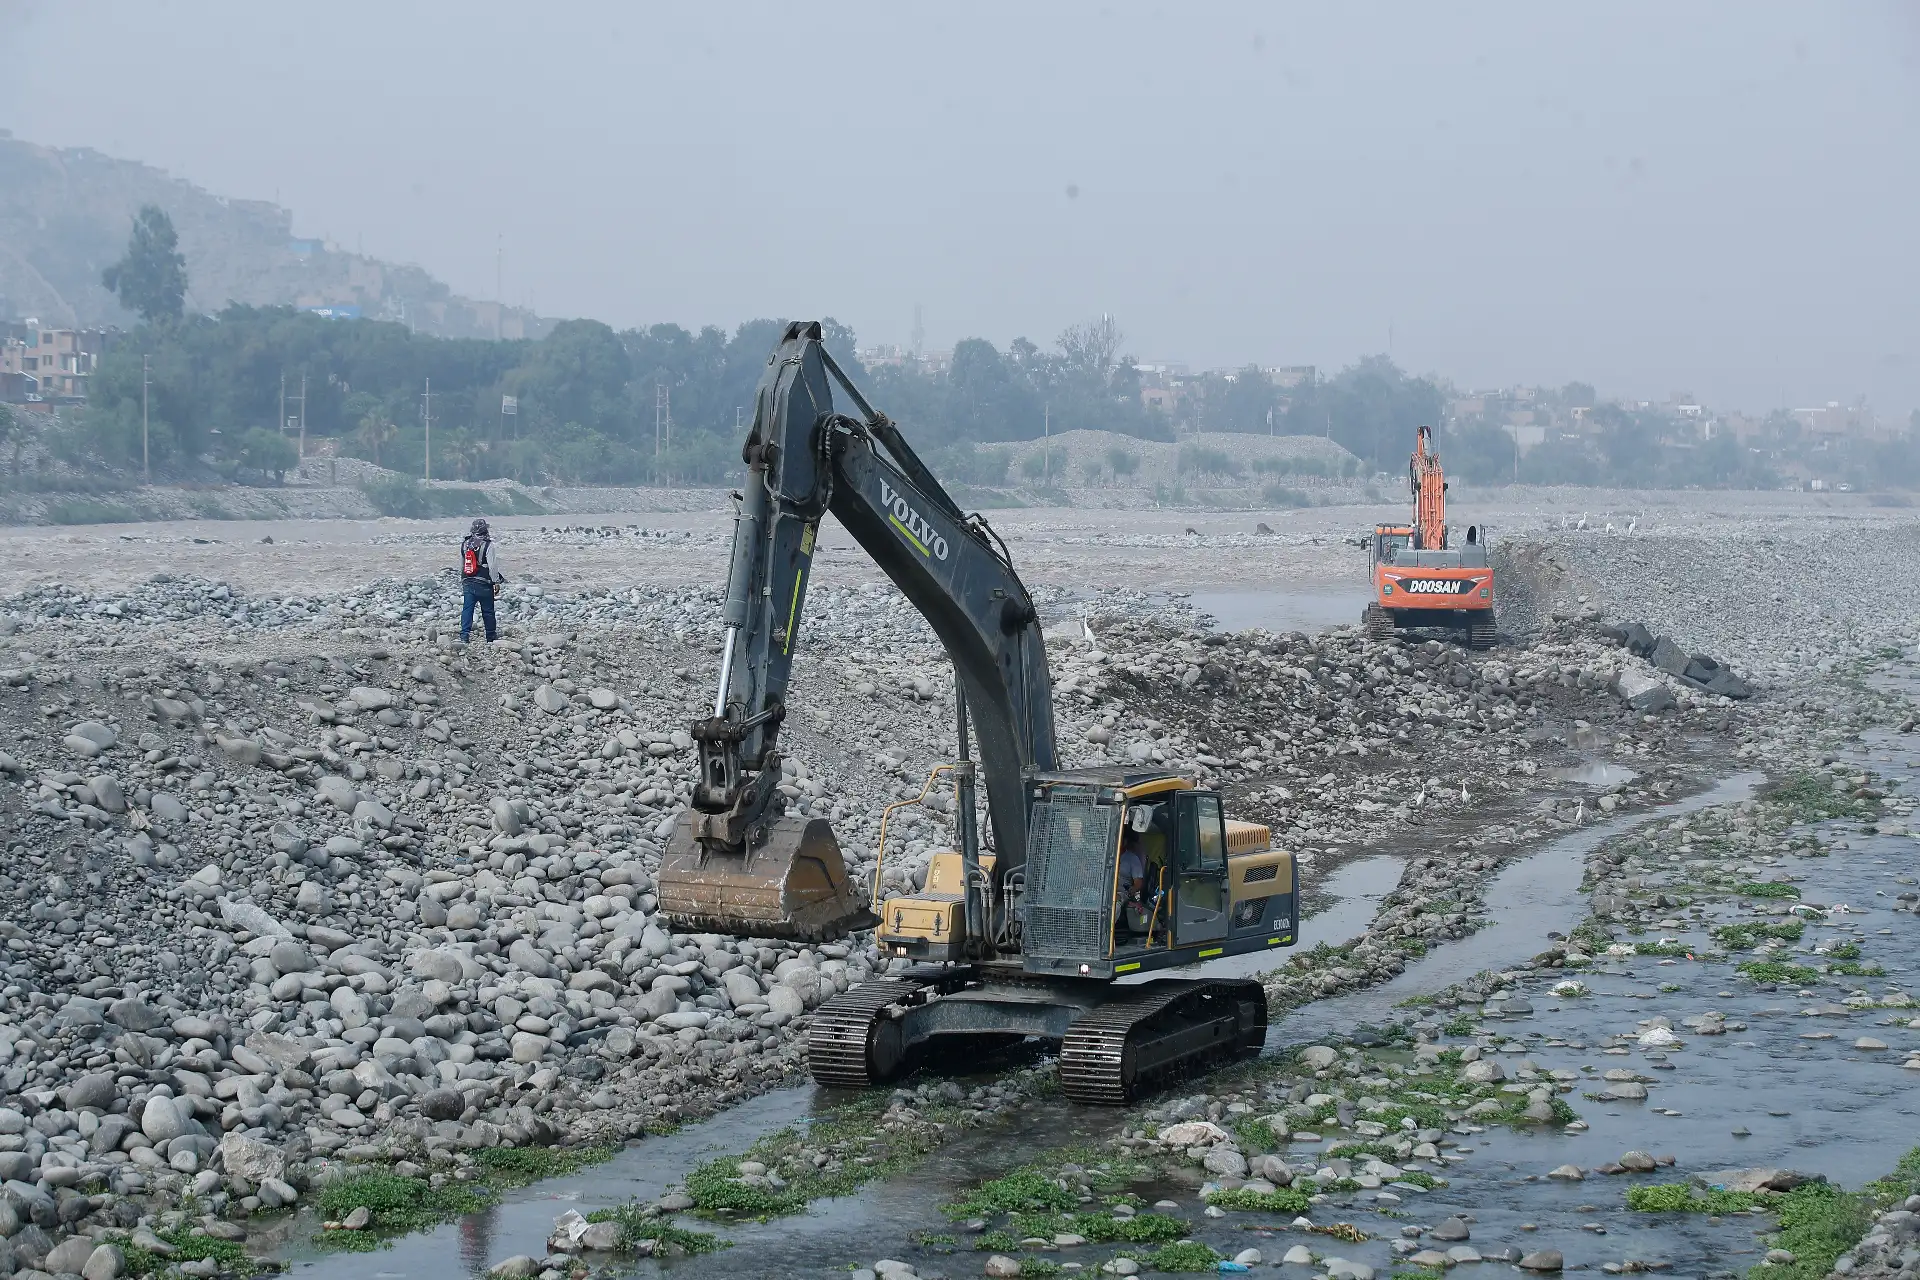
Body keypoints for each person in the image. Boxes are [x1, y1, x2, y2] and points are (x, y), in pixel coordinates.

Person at [459, 518, 506, 642]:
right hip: (484, 583)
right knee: (488, 611)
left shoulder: (465, 543)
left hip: (468, 581)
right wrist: (496, 582)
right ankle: (490, 636)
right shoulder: (488, 545)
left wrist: (463, 579)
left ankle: (464, 636)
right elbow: (493, 566)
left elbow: (462, 563)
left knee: (467, 609)